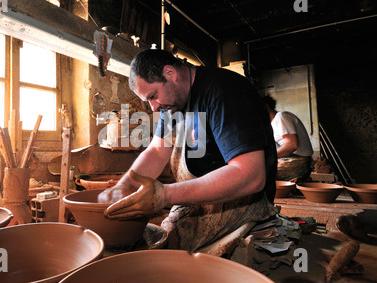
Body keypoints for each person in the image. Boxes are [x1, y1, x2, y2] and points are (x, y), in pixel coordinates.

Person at [99, 49, 277, 252]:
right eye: (148, 101)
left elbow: (251, 176)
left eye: (153, 96)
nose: (154, 107)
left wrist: (164, 196)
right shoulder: (171, 105)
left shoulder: (224, 91)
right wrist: (124, 186)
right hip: (200, 199)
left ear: (170, 73)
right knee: (156, 241)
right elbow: (157, 151)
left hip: (244, 203)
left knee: (169, 253)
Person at [263, 95, 314, 182]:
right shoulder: (273, 123)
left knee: (261, 173)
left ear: (265, 107)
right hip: (295, 159)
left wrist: (269, 157)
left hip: (299, 162)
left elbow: (292, 145)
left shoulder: (281, 116)